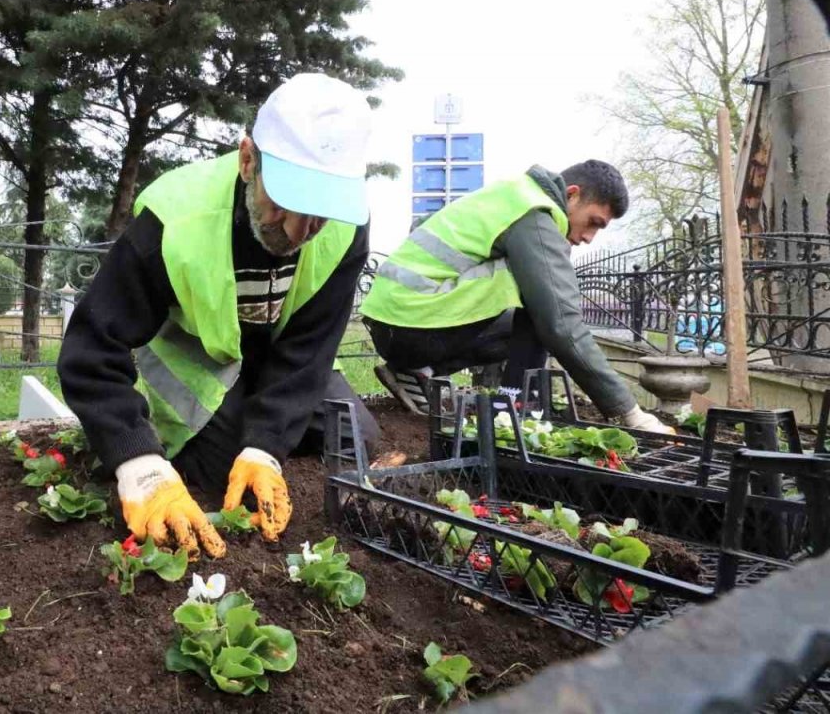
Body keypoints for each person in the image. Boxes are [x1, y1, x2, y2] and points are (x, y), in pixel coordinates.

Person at [57, 73, 380, 560]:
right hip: (199, 358)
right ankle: (211, 436)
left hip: (273, 355)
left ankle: (248, 429)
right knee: (218, 469)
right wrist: (138, 463)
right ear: (248, 160)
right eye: (287, 203)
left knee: (356, 434)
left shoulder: (346, 230)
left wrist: (265, 448)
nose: (298, 232)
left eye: (320, 213)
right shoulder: (173, 219)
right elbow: (90, 351)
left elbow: (311, 347)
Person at [361, 160, 674, 435]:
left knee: (538, 298)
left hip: (393, 324)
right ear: (572, 194)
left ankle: (414, 371)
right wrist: (630, 413)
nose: (589, 238)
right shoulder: (535, 213)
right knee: (542, 304)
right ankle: (514, 408)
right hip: (411, 326)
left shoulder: (512, 194)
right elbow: (562, 324)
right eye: (594, 222)